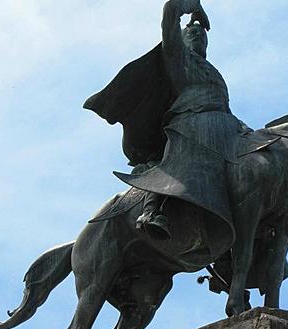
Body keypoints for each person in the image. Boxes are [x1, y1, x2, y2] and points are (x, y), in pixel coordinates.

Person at [85, 0, 246, 248]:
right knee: (181, 158)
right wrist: (193, 5)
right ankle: (151, 211)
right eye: (191, 32)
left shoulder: (214, 73)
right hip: (187, 127)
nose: (197, 35)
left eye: (201, 34)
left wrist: (242, 129)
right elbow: (171, 11)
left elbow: (223, 108)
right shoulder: (177, 57)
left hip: (221, 129)